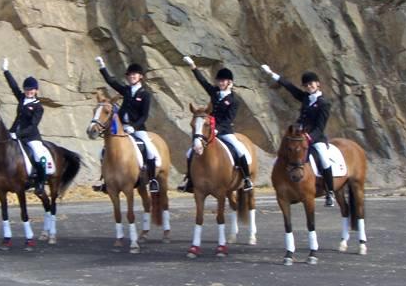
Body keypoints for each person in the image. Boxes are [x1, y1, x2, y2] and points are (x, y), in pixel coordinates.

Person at [261, 65, 335, 207]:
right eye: (306, 85)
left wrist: (309, 137)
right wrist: (272, 74)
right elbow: (290, 88)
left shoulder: (324, 103)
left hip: (315, 138)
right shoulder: (306, 98)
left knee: (325, 160)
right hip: (299, 136)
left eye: (311, 84)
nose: (308, 86)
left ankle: (330, 192)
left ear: (317, 84)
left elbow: (320, 128)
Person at [178, 55, 253, 193]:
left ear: (229, 82)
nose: (220, 83)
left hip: (225, 131)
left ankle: (247, 179)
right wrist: (193, 66)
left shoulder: (234, 100)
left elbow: (229, 119)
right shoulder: (215, 93)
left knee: (240, 150)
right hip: (208, 131)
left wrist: (217, 129)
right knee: (190, 152)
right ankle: (189, 180)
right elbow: (203, 82)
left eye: (223, 81)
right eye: (219, 80)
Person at [93, 56, 160, 194]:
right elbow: (111, 81)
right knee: (103, 151)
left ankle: (152, 180)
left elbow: (144, 116)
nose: (131, 77)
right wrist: (102, 66)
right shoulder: (126, 91)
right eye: (129, 75)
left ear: (140, 76)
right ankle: (105, 180)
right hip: (121, 128)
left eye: (134, 74)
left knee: (150, 150)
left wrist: (134, 127)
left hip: (137, 129)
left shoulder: (145, 94)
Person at [1, 58, 53, 195]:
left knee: (38, 155)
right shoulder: (22, 98)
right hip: (14, 133)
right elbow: (13, 87)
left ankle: (40, 183)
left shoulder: (38, 107)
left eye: (31, 89)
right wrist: (6, 71)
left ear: (36, 90)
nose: (28, 91)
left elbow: (32, 126)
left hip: (30, 137)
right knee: (1, 150)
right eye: (26, 89)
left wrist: (17, 135)